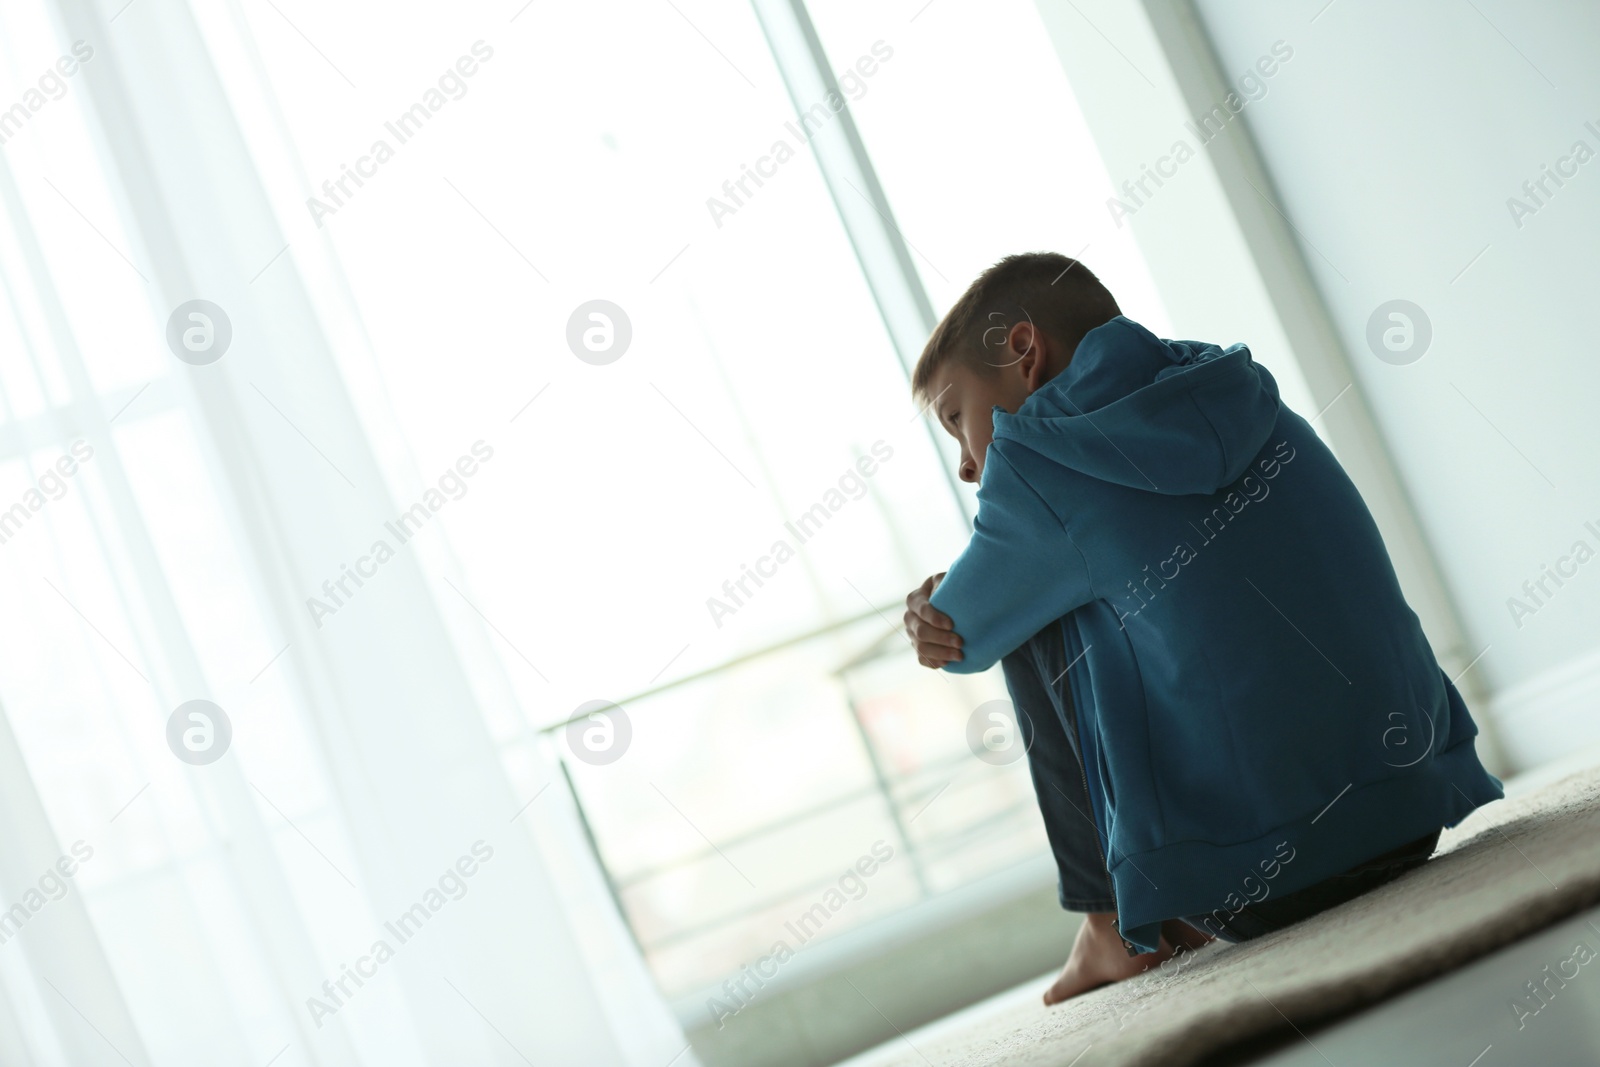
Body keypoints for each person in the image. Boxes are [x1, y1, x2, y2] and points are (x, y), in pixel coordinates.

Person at [901, 252, 1503, 1005]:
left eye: (958, 418)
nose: (964, 463)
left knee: (1033, 617)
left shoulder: (1039, 460)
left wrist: (934, 602)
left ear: (1025, 353)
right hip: (1414, 805)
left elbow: (959, 638)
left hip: (1267, 883)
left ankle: (1111, 925)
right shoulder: (1233, 388)